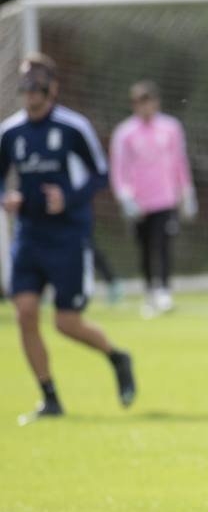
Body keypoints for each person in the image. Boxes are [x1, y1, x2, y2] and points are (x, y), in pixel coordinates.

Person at [1, 53, 136, 423]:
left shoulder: (74, 127)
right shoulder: (10, 132)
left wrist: (68, 198)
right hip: (28, 236)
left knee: (66, 323)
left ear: (51, 88)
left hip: (67, 237)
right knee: (25, 312)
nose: (30, 92)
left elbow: (100, 174)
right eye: (25, 84)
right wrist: (6, 197)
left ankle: (116, 357)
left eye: (36, 84)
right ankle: (50, 398)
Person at [110, 80, 197, 316]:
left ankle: (165, 292)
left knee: (164, 245)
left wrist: (186, 191)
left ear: (156, 103)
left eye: (148, 102)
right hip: (139, 203)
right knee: (145, 247)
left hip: (165, 199)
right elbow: (120, 169)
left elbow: (179, 161)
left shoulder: (170, 128)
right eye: (139, 103)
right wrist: (124, 196)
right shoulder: (125, 133)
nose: (145, 108)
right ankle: (150, 292)